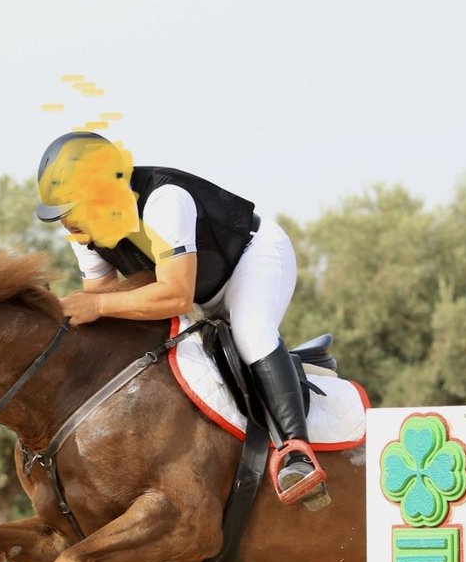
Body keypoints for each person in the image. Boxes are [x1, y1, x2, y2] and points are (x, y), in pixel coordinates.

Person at [34, 131, 326, 506]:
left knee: (251, 332)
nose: (65, 224)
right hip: (199, 289)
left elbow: (175, 295)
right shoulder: (87, 234)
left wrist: (98, 307)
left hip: (251, 259)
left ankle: (296, 452)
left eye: (70, 209)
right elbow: (105, 305)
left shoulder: (164, 200)